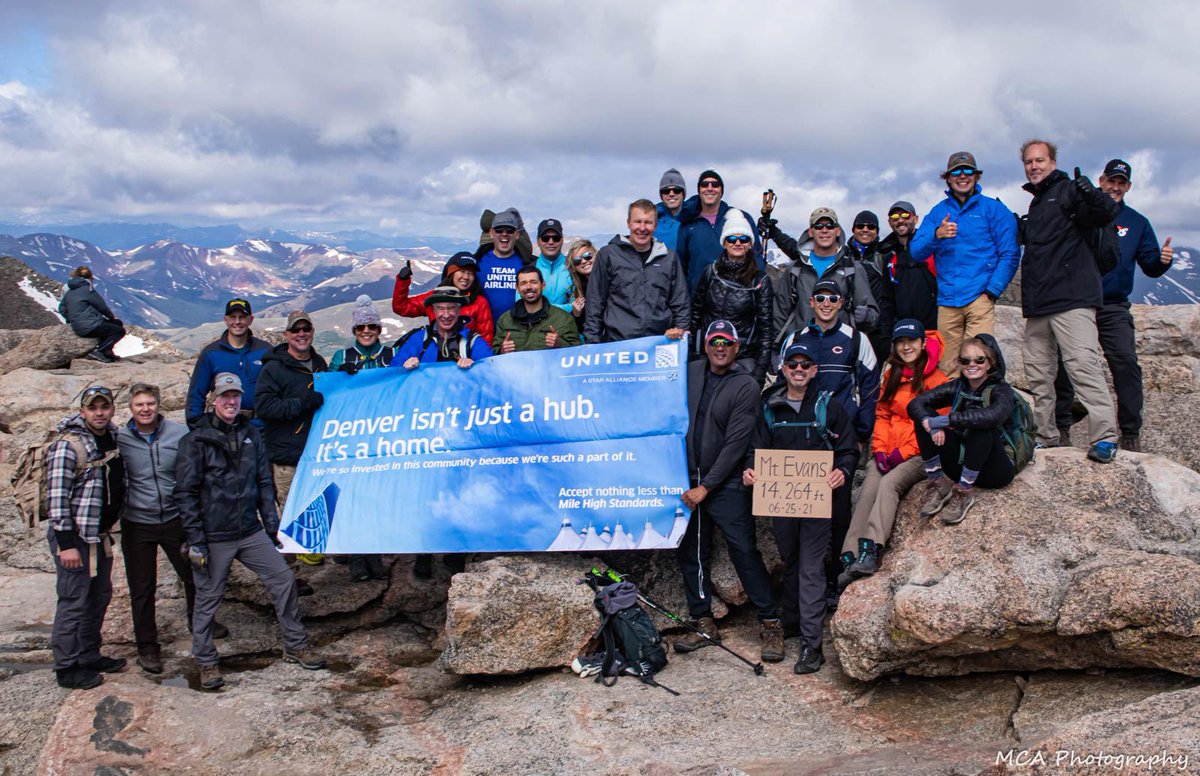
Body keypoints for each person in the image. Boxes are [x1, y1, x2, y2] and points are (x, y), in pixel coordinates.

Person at [176, 373, 326, 690]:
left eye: (235, 396)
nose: (231, 402)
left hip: (249, 530)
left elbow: (263, 483)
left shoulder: (250, 435)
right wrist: (196, 541)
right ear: (212, 400)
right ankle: (206, 663)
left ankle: (295, 644)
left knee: (283, 579)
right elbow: (186, 494)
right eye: (224, 396)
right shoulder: (195, 441)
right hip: (214, 535)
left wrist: (272, 527)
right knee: (208, 598)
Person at [743, 340, 858, 674]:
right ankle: (793, 622)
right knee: (790, 560)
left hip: (818, 505)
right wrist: (750, 470)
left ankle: (812, 645)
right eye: (792, 364)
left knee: (810, 568)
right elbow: (756, 448)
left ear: (814, 371)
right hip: (782, 502)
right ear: (783, 368)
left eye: (805, 365)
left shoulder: (829, 406)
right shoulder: (770, 406)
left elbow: (849, 449)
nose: (798, 370)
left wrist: (843, 471)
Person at [674, 321, 784, 665]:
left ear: (737, 347)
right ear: (705, 345)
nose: (720, 346)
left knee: (744, 551)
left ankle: (770, 621)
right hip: (689, 480)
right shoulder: (689, 372)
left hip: (725, 483)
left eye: (727, 341)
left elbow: (737, 443)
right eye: (714, 340)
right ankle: (702, 621)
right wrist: (666, 341)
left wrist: (707, 487)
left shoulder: (745, 385)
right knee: (691, 551)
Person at [1052, 158, 1174, 451]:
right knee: (1067, 364)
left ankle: (1130, 433)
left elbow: (1150, 265)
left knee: (1126, 362)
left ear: (1128, 186)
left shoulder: (1137, 223)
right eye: (1111, 181)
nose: (1115, 187)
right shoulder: (1082, 214)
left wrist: (1163, 263)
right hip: (1077, 302)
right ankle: (1062, 428)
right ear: (1101, 181)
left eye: (1121, 183)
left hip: (1113, 305)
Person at [1018, 139, 1120, 462]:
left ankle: (1105, 436)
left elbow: (1104, 213)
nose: (1034, 166)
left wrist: (1091, 192)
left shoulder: (1067, 190)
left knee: (1082, 365)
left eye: (1040, 160)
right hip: (1040, 303)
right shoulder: (1036, 203)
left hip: (1072, 298)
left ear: (1052, 162)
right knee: (1038, 373)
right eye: (1029, 162)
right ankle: (1046, 436)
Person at [118, 383, 229, 674]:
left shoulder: (179, 434)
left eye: (150, 403)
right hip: (136, 522)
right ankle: (147, 647)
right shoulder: (120, 438)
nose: (145, 409)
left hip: (174, 518)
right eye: (139, 404)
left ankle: (199, 621)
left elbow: (196, 469)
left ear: (159, 405)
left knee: (194, 573)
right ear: (131, 408)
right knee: (142, 587)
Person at [838, 321, 948, 589]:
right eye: (900, 342)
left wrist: (902, 453)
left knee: (889, 485)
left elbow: (933, 425)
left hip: (921, 453)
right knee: (869, 487)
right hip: (889, 450)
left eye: (911, 340)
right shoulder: (893, 376)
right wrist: (881, 450)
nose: (906, 346)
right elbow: (883, 414)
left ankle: (871, 548)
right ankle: (849, 554)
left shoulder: (938, 381)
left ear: (923, 343)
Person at [908, 151, 1020, 378]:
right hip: (948, 300)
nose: (962, 176)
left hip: (980, 297)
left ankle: (979, 411)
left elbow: (1010, 253)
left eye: (968, 171)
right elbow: (916, 252)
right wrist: (936, 235)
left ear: (976, 176)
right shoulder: (939, 212)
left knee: (978, 361)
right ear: (947, 178)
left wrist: (992, 291)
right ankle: (952, 413)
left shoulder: (994, 210)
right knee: (948, 368)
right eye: (956, 172)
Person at [46, 385, 125, 689]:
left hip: (99, 534)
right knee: (73, 600)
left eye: (105, 407)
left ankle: (89, 653)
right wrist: (65, 543)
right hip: (74, 537)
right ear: (83, 412)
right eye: (94, 408)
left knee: (99, 595)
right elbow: (56, 496)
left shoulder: (112, 438)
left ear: (112, 409)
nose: (100, 412)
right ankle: (66, 668)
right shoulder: (69, 446)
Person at [907, 335, 1018, 525]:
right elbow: (916, 404)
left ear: (990, 363)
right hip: (961, 464)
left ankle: (964, 491)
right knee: (923, 419)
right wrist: (930, 423)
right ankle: (938, 482)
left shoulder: (1002, 390)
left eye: (979, 359)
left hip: (996, 469)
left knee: (981, 426)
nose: (971, 364)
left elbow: (993, 416)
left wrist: (946, 420)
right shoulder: (958, 386)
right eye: (965, 360)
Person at [254, 310, 327, 580]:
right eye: (295, 330)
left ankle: (315, 570)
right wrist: (302, 403)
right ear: (286, 335)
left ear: (312, 332)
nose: (301, 334)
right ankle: (289, 579)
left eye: (306, 328)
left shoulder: (319, 364)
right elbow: (264, 407)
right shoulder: (274, 368)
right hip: (286, 458)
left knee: (315, 514)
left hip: (315, 456)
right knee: (289, 519)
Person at [327, 297, 393, 582]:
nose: (366, 331)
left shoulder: (391, 354)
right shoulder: (343, 357)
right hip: (351, 437)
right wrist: (339, 377)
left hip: (383, 435)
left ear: (378, 328)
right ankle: (356, 556)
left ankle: (375, 554)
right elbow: (328, 390)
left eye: (372, 326)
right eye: (361, 327)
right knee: (350, 496)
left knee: (375, 496)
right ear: (354, 330)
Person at [765, 207, 879, 350]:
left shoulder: (852, 269)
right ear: (810, 232)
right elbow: (779, 314)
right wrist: (778, 350)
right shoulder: (794, 269)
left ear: (837, 231)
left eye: (830, 225)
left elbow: (873, 314)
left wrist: (867, 317)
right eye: (818, 226)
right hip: (800, 353)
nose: (824, 230)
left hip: (840, 352)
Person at [583, 199, 690, 344]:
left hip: (658, 344)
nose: (642, 228)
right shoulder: (608, 255)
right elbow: (595, 301)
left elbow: (680, 302)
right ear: (628, 223)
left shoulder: (668, 258)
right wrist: (593, 341)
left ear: (655, 225)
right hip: (617, 343)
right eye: (637, 221)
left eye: (648, 222)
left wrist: (682, 334)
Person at [688, 211, 774, 384]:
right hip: (708, 356)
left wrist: (759, 372)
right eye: (731, 239)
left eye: (743, 239)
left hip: (742, 360)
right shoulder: (710, 273)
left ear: (750, 244)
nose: (737, 243)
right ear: (724, 243)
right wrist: (692, 356)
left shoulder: (760, 280)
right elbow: (694, 317)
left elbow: (766, 331)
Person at [185, 298, 272, 427]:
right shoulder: (211, 354)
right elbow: (196, 396)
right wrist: (198, 428)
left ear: (250, 320)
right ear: (225, 320)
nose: (237, 322)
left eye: (242, 317)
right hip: (224, 427)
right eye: (233, 317)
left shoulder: (265, 351)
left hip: (261, 428)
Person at [676, 169, 764, 291]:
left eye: (715, 184)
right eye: (704, 184)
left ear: (721, 191)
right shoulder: (688, 224)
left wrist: (758, 284)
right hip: (698, 298)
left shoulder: (740, 217)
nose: (710, 188)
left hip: (736, 296)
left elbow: (756, 254)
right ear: (699, 191)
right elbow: (681, 265)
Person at [391, 252, 495, 344]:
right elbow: (401, 307)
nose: (466, 277)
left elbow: (486, 338)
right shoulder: (435, 298)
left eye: (471, 273)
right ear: (451, 273)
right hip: (437, 356)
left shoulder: (479, 302)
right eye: (462, 271)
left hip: (467, 359)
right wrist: (403, 281)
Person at [876, 201, 938, 355]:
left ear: (915, 219)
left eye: (905, 215)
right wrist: (885, 337)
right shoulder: (890, 257)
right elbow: (887, 301)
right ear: (890, 222)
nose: (900, 220)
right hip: (903, 335)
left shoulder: (930, 250)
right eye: (895, 217)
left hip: (933, 331)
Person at [393, 286, 494, 368]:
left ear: (459, 311)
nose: (446, 315)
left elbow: (491, 367)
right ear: (434, 311)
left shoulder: (472, 341)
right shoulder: (420, 339)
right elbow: (392, 369)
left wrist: (474, 366)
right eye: (440, 309)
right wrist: (404, 366)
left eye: (451, 308)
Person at [495, 265, 582, 353]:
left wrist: (560, 344)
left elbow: (578, 353)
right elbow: (494, 353)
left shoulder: (563, 318)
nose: (529, 287)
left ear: (543, 285)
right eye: (523, 283)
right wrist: (502, 350)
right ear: (517, 288)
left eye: (533, 282)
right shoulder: (505, 320)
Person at [58, 266, 126, 363]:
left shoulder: (70, 291)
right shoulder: (87, 289)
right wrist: (110, 317)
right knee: (119, 331)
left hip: (78, 325)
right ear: (90, 278)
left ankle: (107, 351)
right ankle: (100, 351)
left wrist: (72, 319)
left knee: (116, 323)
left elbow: (62, 308)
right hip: (90, 326)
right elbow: (101, 306)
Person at [476, 208, 529, 323]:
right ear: (491, 233)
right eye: (499, 230)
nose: (504, 234)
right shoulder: (477, 263)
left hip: (518, 335)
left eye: (509, 230)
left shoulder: (528, 265)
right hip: (484, 335)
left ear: (517, 234)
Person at [533, 219, 575, 313]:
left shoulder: (573, 267)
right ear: (538, 241)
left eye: (556, 238)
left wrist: (540, 307)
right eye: (545, 238)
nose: (551, 242)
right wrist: (565, 307)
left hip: (566, 325)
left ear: (562, 241)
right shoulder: (530, 269)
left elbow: (577, 306)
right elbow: (521, 303)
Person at [653, 168, 698, 251]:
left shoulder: (695, 218)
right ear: (661, 195)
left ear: (683, 194)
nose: (671, 194)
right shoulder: (651, 220)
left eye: (676, 190)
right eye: (666, 191)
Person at [565, 239, 596, 333]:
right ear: (574, 267)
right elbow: (579, 330)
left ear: (596, 255)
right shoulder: (579, 291)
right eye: (577, 261)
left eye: (587, 256)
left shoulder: (612, 280)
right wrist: (576, 314)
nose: (583, 261)